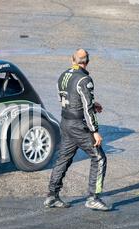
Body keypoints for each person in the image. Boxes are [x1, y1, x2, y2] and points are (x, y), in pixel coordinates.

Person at [44, 49, 110, 211]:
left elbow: (65, 98)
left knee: (63, 158)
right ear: (87, 61)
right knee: (99, 158)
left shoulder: (63, 76)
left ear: (72, 60)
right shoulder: (85, 79)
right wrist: (94, 130)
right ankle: (93, 197)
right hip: (78, 126)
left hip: (65, 122)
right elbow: (86, 107)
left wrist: (93, 105)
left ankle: (52, 195)